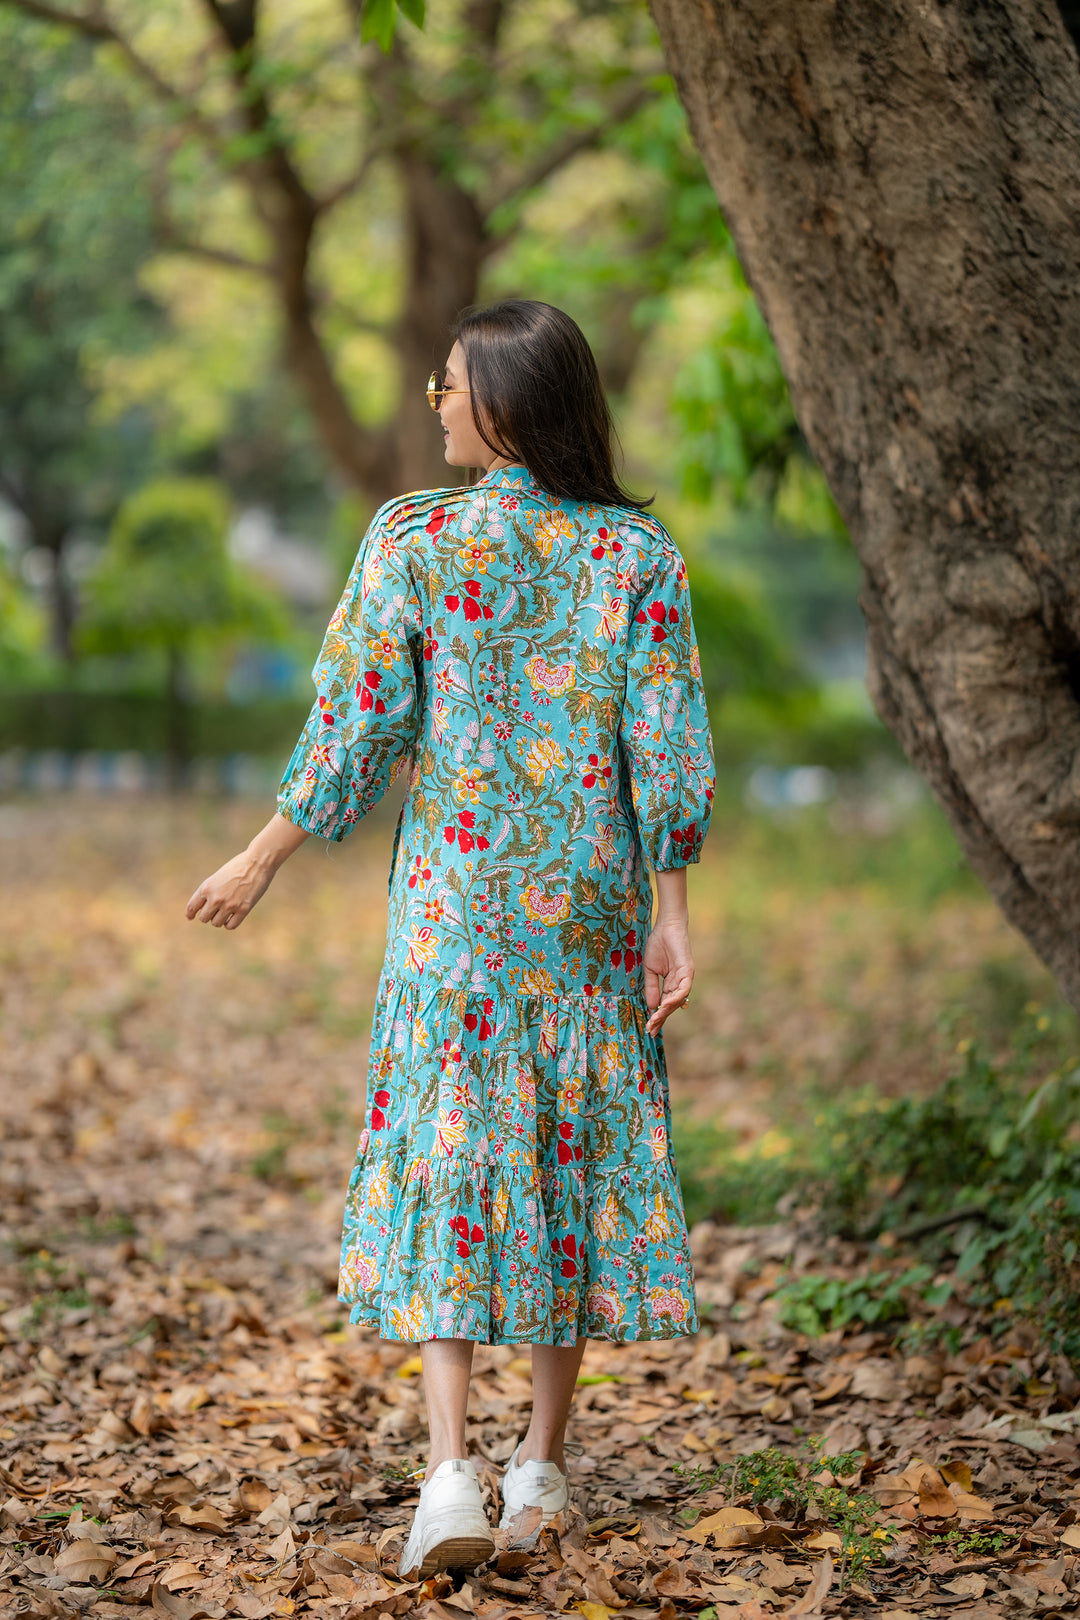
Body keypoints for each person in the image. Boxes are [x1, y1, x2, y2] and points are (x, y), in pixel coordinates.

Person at [186, 298, 716, 1580]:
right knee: (562, 1166)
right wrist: (674, 914)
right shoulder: (638, 555)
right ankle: (538, 1465)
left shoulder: (414, 539)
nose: (432, 399)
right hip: (583, 922)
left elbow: (357, 723)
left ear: (511, 404)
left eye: (450, 383)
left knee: (456, 1165)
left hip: (455, 928)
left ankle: (447, 1479)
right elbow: (668, 750)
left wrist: (263, 856)